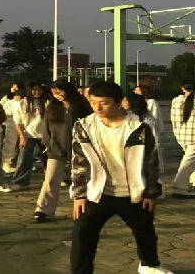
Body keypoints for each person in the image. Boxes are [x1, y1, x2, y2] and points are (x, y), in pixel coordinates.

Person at [70, 81, 171, 274]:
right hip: (98, 192)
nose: (98, 107)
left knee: (145, 232)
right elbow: (79, 162)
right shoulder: (84, 126)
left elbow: (151, 161)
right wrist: (79, 195)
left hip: (132, 192)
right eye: (93, 102)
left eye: (104, 103)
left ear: (119, 102)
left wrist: (151, 193)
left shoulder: (139, 127)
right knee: (82, 234)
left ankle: (149, 266)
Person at [33, 79, 92, 223]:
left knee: (84, 178)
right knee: (51, 179)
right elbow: (46, 127)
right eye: (54, 93)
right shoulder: (52, 107)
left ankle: (87, 207)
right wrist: (47, 143)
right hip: (56, 147)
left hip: (79, 146)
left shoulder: (82, 105)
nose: (57, 96)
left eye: (59, 92)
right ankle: (43, 209)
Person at [7, 82, 49, 191]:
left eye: (39, 89)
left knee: (49, 158)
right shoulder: (22, 103)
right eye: (34, 90)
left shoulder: (47, 103)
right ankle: (20, 181)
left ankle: (52, 180)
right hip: (28, 134)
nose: (37, 92)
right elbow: (18, 122)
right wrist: (22, 137)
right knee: (24, 159)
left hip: (45, 135)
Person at [133, 86, 165, 172]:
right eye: (135, 90)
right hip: (140, 129)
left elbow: (155, 117)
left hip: (151, 128)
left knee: (154, 150)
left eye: (137, 90)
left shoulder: (151, 102)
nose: (135, 92)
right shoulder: (135, 102)